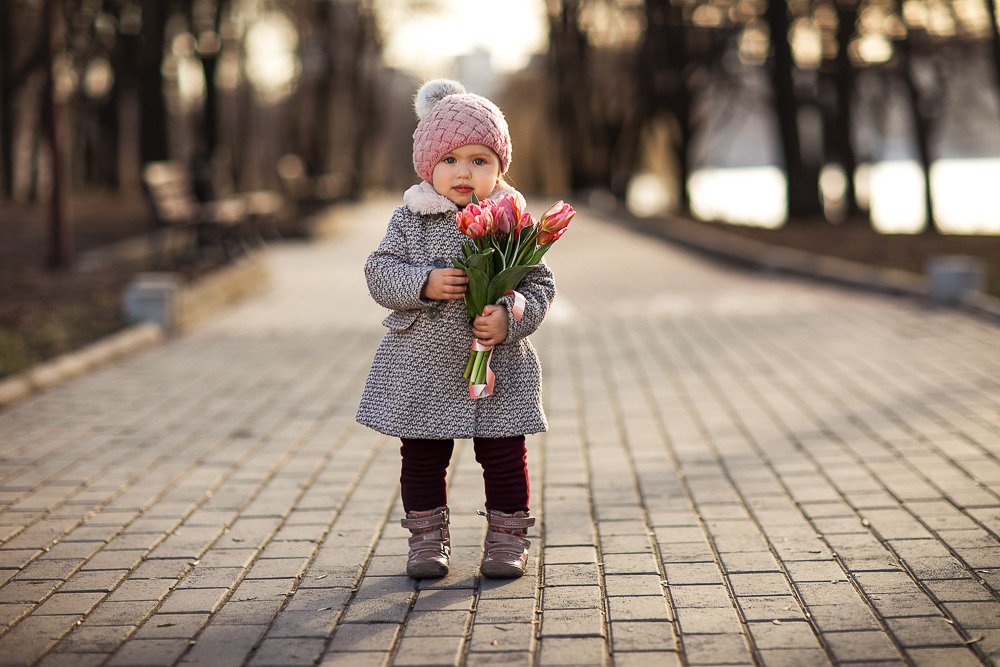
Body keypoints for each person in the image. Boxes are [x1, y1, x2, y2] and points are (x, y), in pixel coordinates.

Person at [356, 79, 556, 579]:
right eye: (450, 160)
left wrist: (511, 315)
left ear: (499, 168)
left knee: (506, 453)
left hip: (498, 365)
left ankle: (507, 538)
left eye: (480, 160)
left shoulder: (513, 221)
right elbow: (379, 271)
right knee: (422, 456)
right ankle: (426, 539)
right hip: (424, 364)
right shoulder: (412, 219)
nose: (464, 172)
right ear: (429, 166)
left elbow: (540, 284)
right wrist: (422, 282)